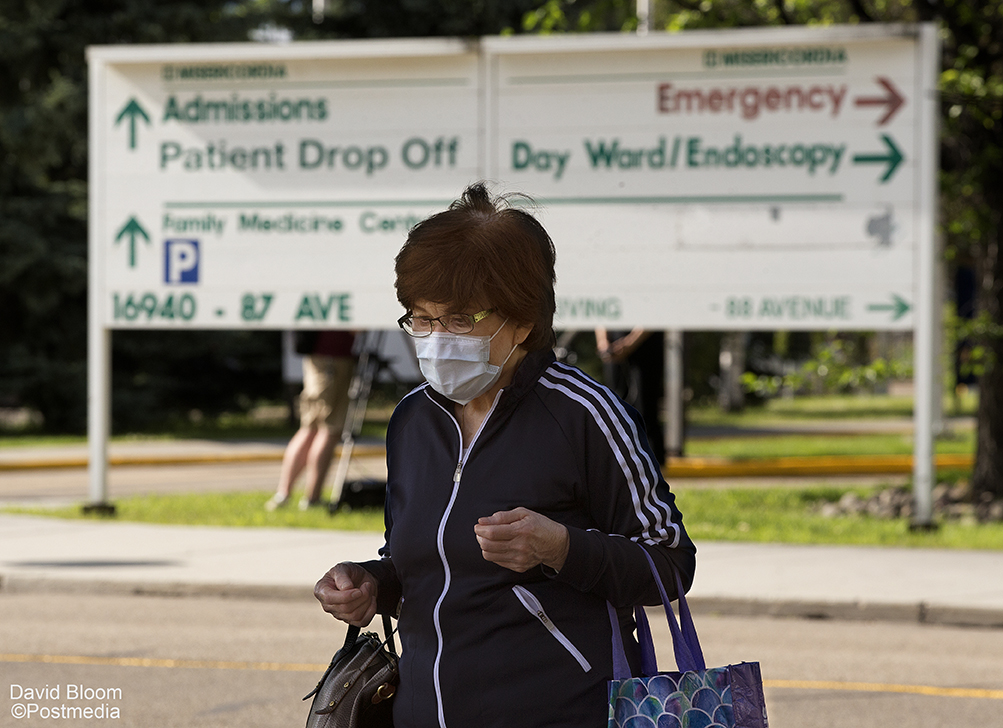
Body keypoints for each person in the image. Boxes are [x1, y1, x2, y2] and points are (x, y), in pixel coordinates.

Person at [313, 183, 695, 728]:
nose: (436, 338)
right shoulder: (412, 420)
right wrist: (373, 584)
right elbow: (425, 565)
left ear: (522, 321)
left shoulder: (584, 414)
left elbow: (671, 564)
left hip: (560, 713)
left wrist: (562, 548)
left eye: (460, 320)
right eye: (420, 318)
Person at [266, 330, 355, 511]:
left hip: (320, 359)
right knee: (328, 430)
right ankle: (312, 499)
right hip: (333, 359)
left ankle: (284, 494)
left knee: (311, 429)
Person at [595, 327, 667, 464]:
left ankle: (654, 468)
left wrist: (629, 343)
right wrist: (603, 342)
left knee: (645, 412)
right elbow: (602, 317)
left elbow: (653, 318)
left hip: (645, 346)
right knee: (614, 413)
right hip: (613, 350)